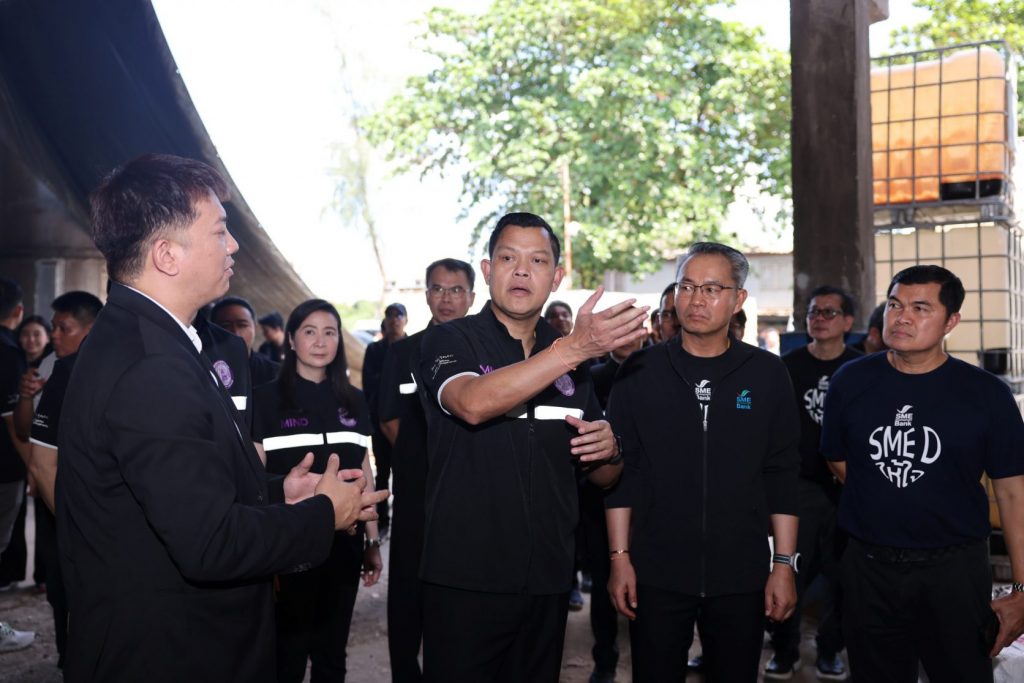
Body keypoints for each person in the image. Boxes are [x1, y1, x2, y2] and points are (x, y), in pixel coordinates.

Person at [56, 153, 387, 682]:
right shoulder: (150, 366)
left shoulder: (151, 339)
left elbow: (183, 489)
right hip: (174, 655)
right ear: (167, 255)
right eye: (219, 231)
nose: (233, 245)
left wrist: (279, 493)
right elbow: (210, 543)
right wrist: (324, 512)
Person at [417, 212, 647, 682]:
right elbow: (472, 403)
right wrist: (574, 350)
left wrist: (610, 450)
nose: (522, 271)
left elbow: (604, 477)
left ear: (556, 277)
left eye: (537, 261)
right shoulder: (450, 339)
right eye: (509, 258)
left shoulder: (570, 361)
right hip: (464, 579)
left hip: (547, 578)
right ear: (487, 270)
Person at [605, 242, 800, 682]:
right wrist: (619, 558)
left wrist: (784, 565)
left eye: (712, 289)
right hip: (656, 568)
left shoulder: (766, 374)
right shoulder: (639, 371)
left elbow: (782, 474)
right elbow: (624, 474)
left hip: (741, 570)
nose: (696, 299)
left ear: (738, 299)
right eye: (687, 286)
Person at [822, 265, 1024, 683]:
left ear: (951, 321)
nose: (902, 318)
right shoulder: (850, 381)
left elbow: (1012, 494)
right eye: (895, 305)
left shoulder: (986, 394)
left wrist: (1023, 589)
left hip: (954, 571)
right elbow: (838, 460)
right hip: (868, 568)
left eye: (920, 308)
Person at [252, 299, 382, 682]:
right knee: (288, 653)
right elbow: (253, 477)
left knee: (332, 651)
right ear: (292, 340)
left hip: (344, 543)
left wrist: (373, 540)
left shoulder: (355, 399)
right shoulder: (265, 400)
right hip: (288, 543)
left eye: (330, 333)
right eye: (310, 332)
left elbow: (363, 468)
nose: (320, 342)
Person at [378, 257, 476, 683]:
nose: (446, 298)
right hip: (418, 487)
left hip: (473, 489)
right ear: (427, 295)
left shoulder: (486, 349)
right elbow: (388, 418)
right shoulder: (404, 351)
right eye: (438, 289)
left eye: (456, 290)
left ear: (472, 296)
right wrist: (426, 456)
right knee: (408, 582)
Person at [764, 285, 861, 680]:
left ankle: (830, 649)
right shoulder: (786, 367)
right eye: (813, 312)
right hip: (798, 486)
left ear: (848, 322)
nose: (819, 319)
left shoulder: (861, 370)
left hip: (847, 489)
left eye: (829, 312)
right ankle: (784, 650)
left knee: (844, 576)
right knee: (789, 569)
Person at [0, 275, 34, 653]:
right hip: (3, 468)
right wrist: (35, 469)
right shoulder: (8, 352)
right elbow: (12, 422)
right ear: (19, 311)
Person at [362, 302, 408, 537]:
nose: (394, 319)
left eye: (399, 315)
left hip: (407, 423)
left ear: (406, 320)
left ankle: (403, 520)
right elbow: (368, 385)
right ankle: (381, 521)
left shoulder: (413, 346)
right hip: (380, 420)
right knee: (381, 472)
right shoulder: (374, 350)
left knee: (406, 472)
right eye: (390, 315)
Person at [211, 295, 281, 387]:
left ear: (255, 328)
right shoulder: (203, 370)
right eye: (225, 325)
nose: (235, 333)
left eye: (242, 325)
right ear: (212, 329)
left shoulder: (276, 375)